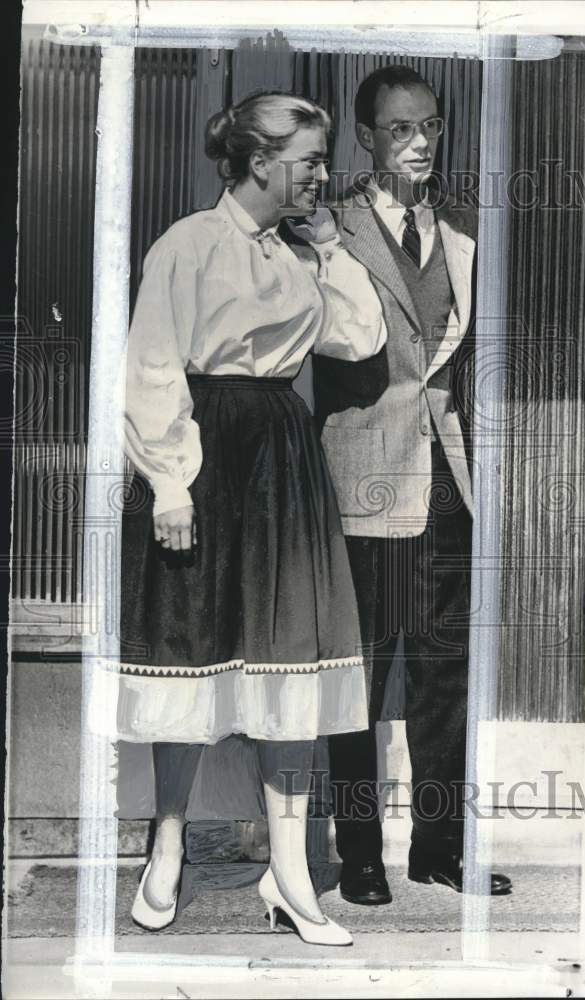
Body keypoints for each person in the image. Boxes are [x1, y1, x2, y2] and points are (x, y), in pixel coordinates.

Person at [112, 92, 387, 945]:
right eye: (308, 158)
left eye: (322, 157)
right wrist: (168, 485)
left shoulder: (305, 253)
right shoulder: (188, 245)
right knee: (192, 650)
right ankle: (167, 848)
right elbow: (152, 364)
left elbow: (361, 338)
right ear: (259, 160)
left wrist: (334, 249)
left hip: (284, 461)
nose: (321, 174)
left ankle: (291, 870)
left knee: (289, 658)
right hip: (204, 454)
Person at [313, 65, 512, 905]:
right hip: (363, 479)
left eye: (430, 126)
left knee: (444, 669)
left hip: (444, 482)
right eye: (400, 129)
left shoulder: (460, 235)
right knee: (360, 672)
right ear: (367, 138)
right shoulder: (332, 229)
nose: (421, 142)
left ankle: (439, 848)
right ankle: (359, 855)